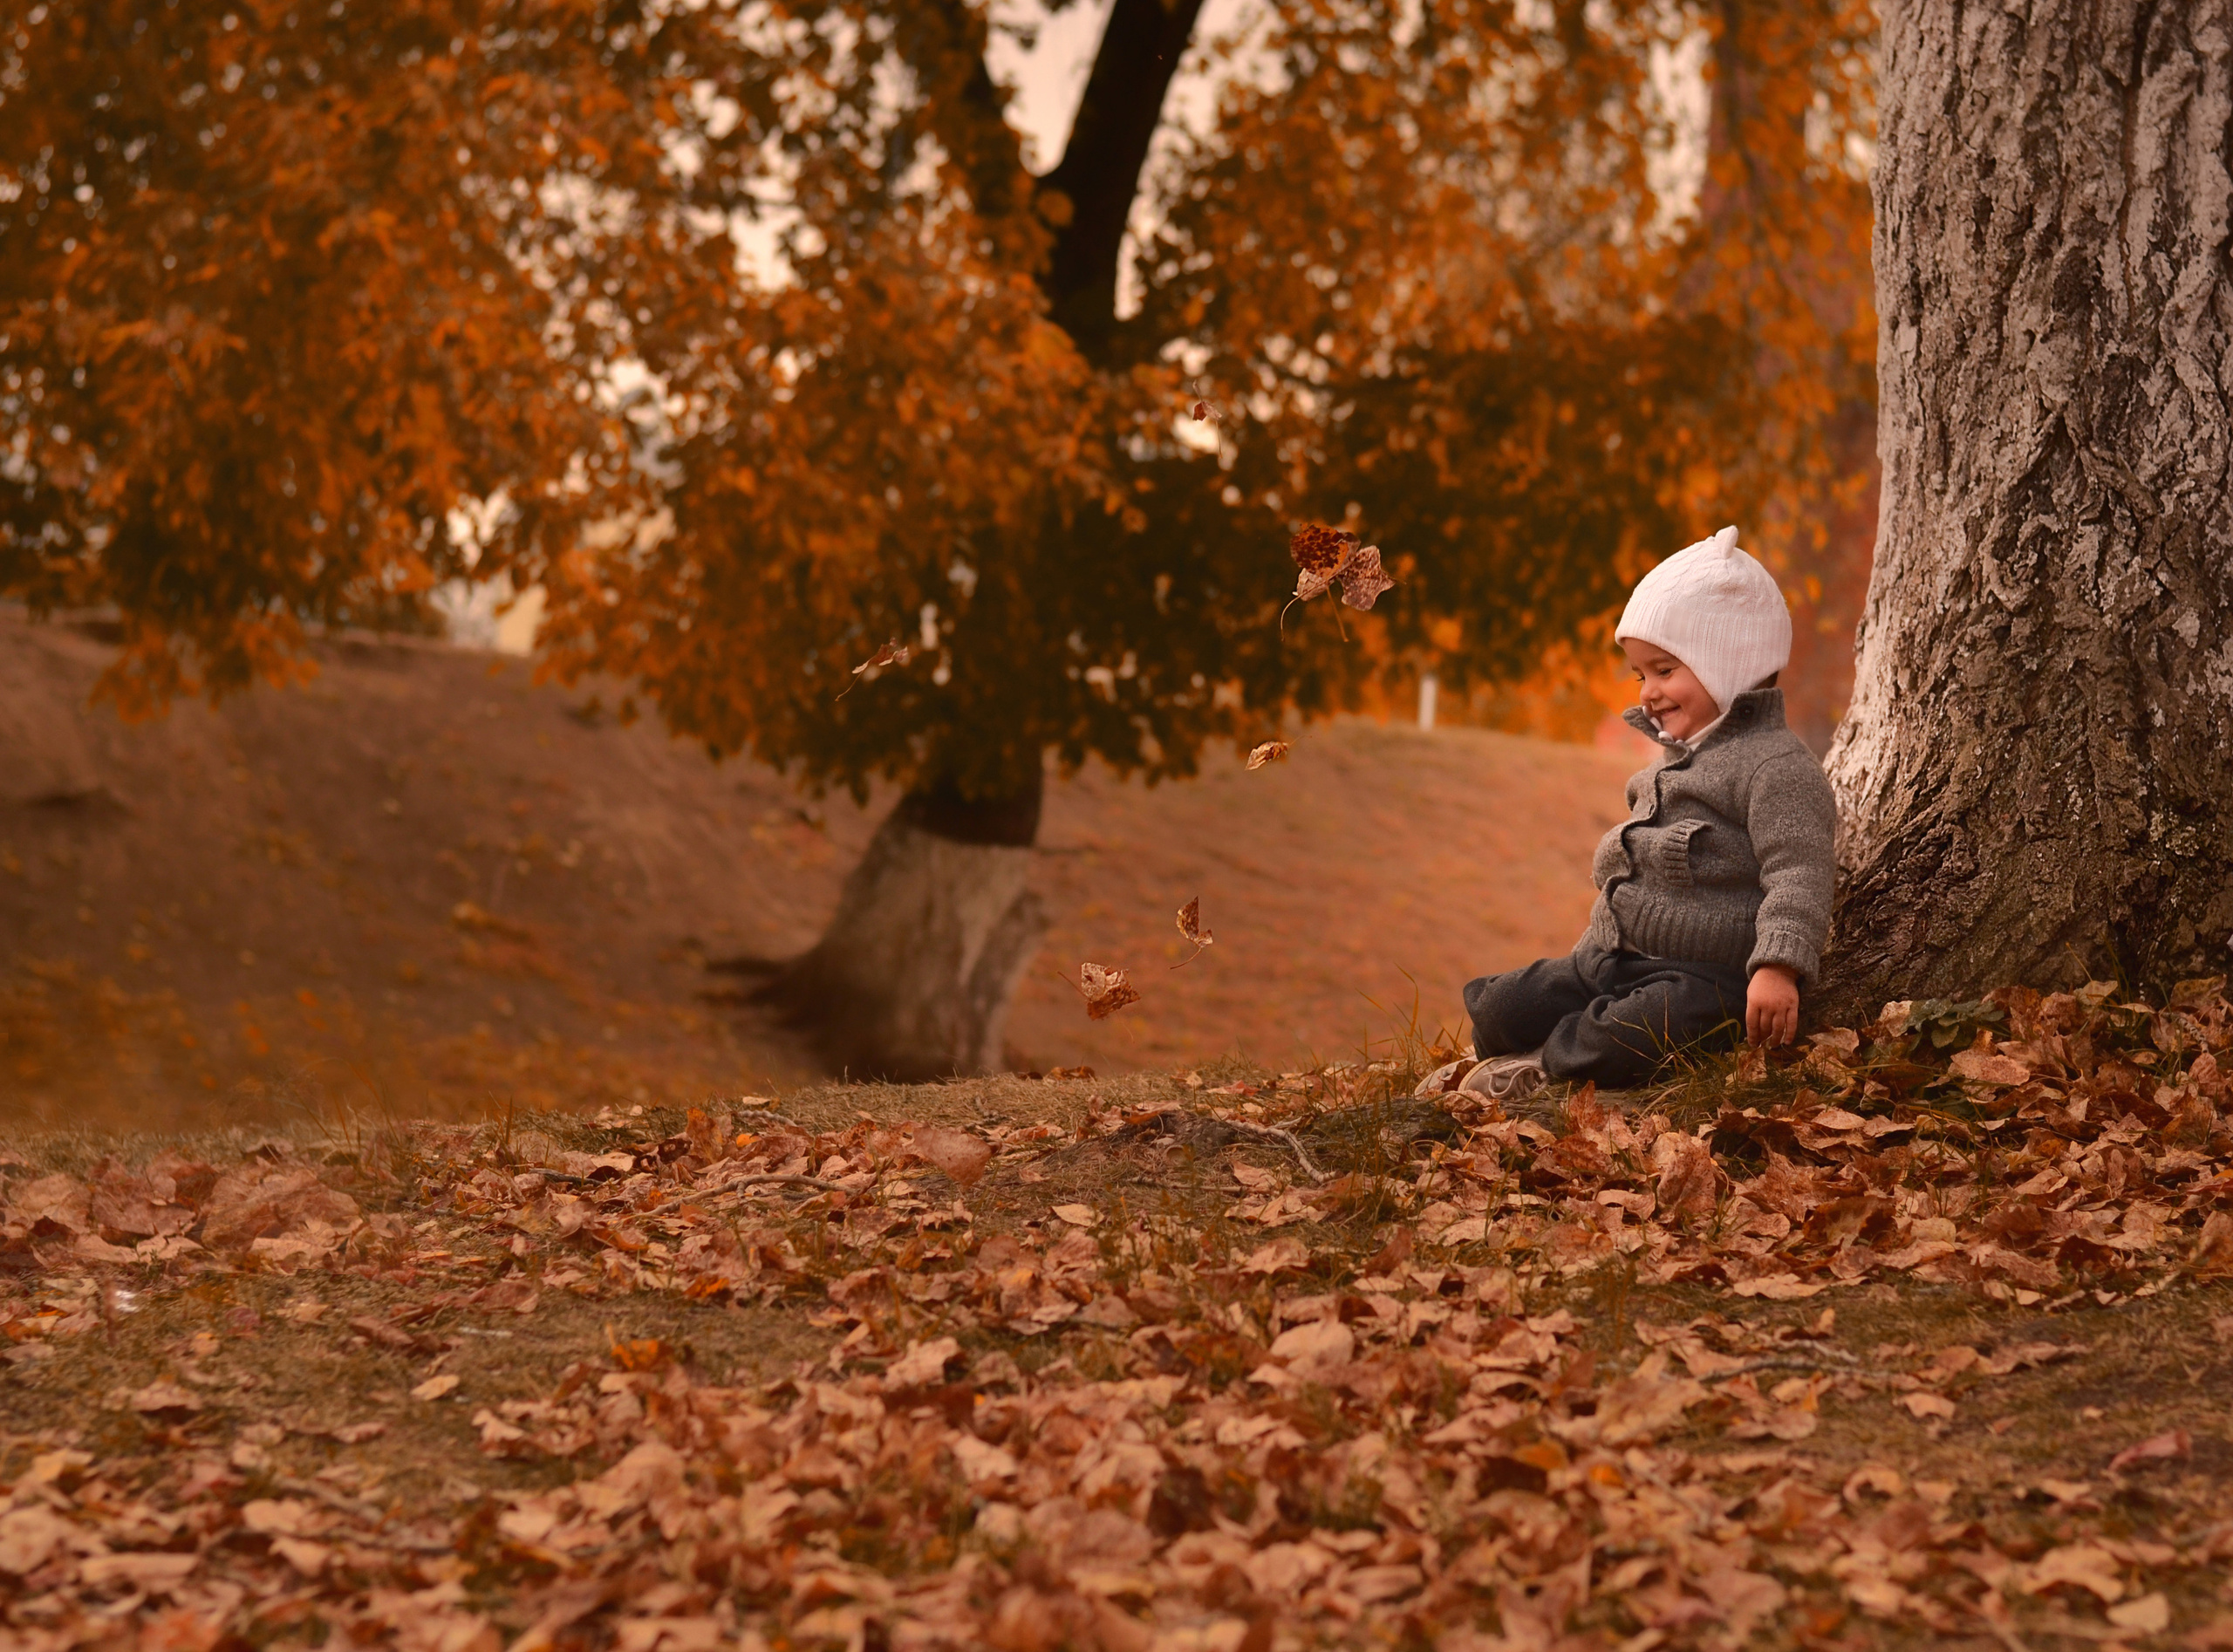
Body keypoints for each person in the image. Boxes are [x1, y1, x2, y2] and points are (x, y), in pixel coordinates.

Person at [1425, 525, 1837, 1104]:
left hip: (1699, 980)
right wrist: (1595, 946)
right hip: (1608, 960)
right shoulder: (1669, 765)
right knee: (1503, 1005)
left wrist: (1778, 967)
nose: (1647, 691)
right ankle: (1514, 1049)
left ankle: (1545, 1068)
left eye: (1665, 670)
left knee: (1631, 1034)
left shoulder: (1777, 768)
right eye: (1641, 674)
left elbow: (1800, 874)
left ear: (1731, 662)